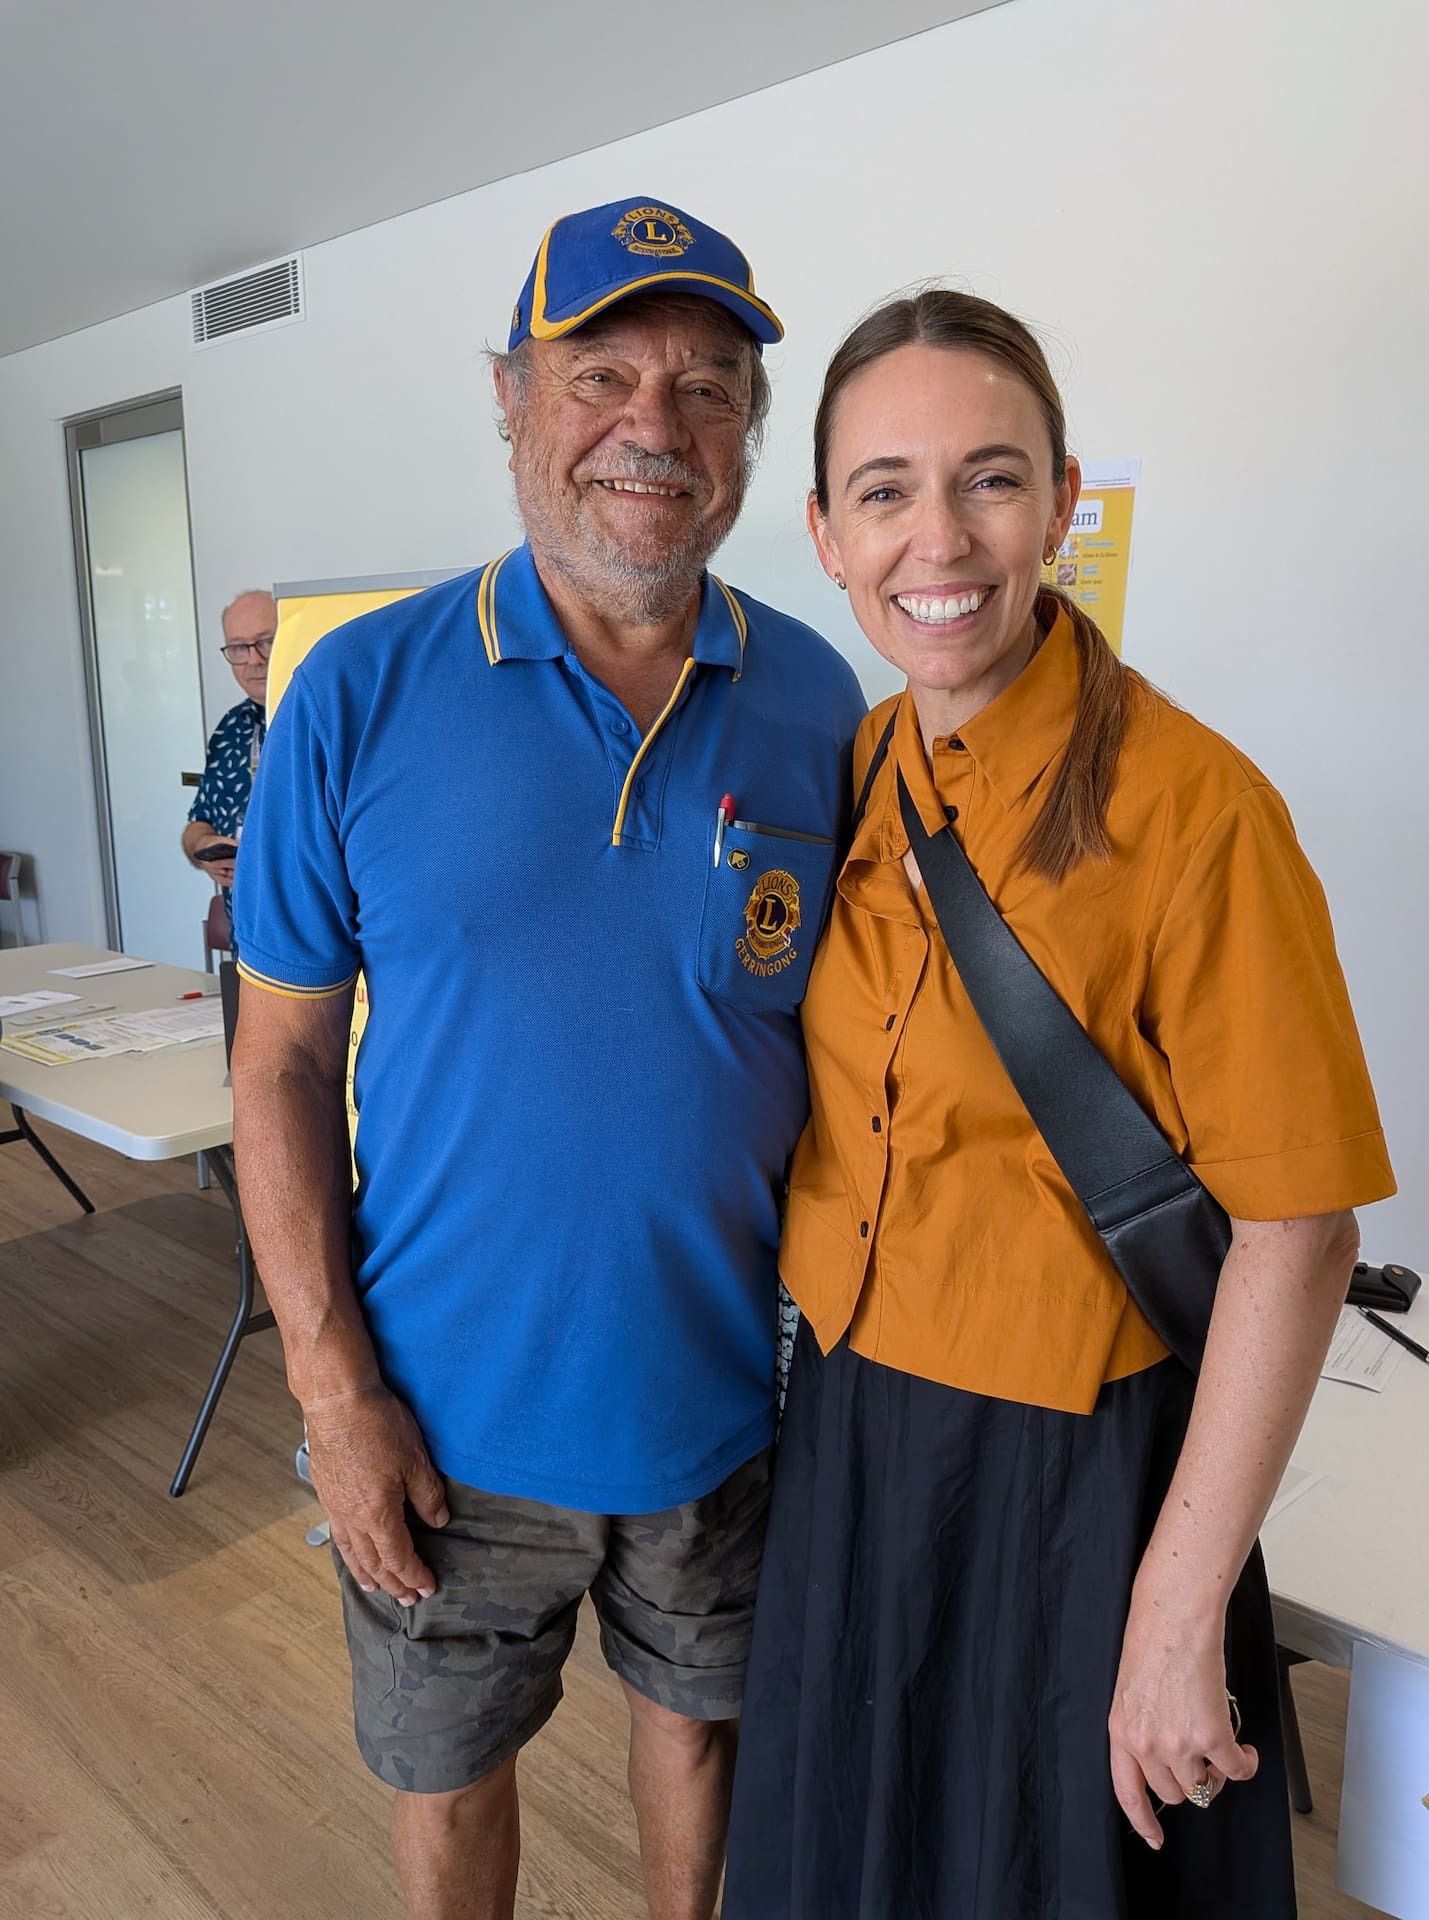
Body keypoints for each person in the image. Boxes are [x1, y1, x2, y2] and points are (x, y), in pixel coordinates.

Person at [721, 291, 1396, 1919]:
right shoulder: (849, 775)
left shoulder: (1193, 809)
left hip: (1071, 1482)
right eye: (884, 489)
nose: (937, 536)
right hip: (853, 1436)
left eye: (991, 478)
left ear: (1063, 500)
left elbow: (1300, 1232)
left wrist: (1175, 1611)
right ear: (822, 531)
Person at [229, 196, 865, 1920]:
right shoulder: (356, 694)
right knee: (448, 1791)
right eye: (602, 374)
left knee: (706, 1745)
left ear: (748, 435)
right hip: (440, 1421)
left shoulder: (822, 706)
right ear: (510, 400)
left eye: (709, 387)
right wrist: (333, 1394)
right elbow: (279, 1064)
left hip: (728, 1404)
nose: (654, 427)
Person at [182, 588, 275, 922]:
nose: (254, 660)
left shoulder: (327, 721)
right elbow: (198, 820)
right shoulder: (231, 728)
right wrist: (204, 849)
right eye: (239, 647)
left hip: (317, 942)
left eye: (266, 641)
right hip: (246, 935)